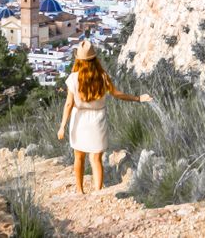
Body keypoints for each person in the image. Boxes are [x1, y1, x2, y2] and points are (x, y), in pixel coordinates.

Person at [57, 40, 152, 193]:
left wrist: (62, 126)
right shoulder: (103, 77)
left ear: (79, 60)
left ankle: (80, 191)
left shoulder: (73, 78)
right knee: (96, 159)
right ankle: (98, 191)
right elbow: (118, 94)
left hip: (79, 119)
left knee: (79, 157)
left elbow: (68, 104)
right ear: (95, 59)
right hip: (97, 120)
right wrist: (138, 98)